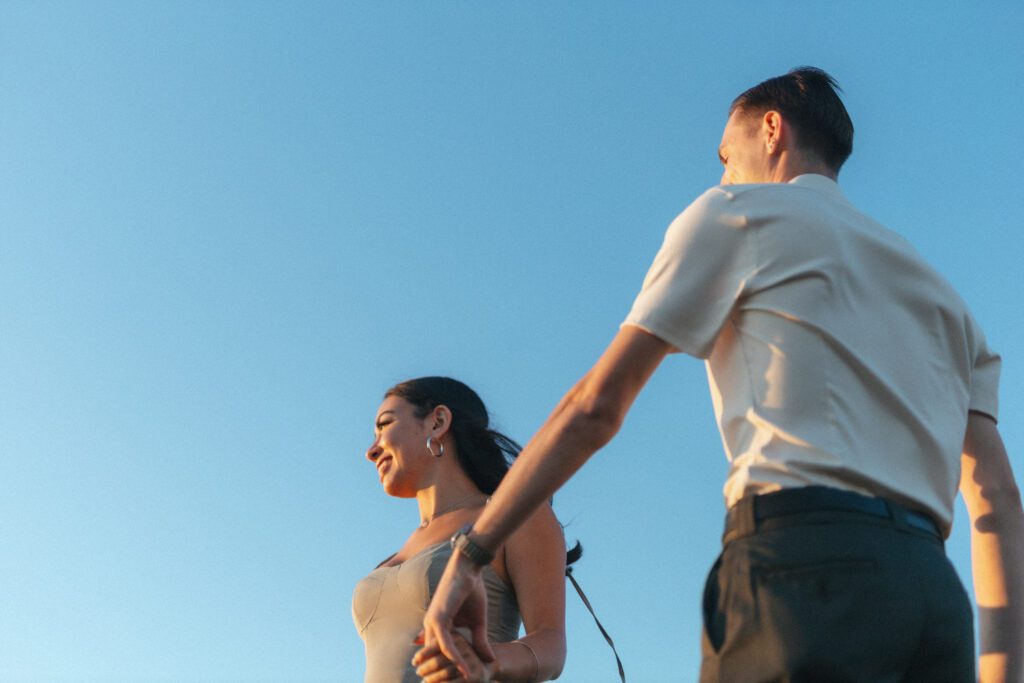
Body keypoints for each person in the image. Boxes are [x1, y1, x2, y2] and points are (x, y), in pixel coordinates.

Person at [420, 68, 1023, 682]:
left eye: (726, 156)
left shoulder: (736, 214)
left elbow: (595, 408)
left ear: (772, 129)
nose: (722, 176)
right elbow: (997, 500)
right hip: (933, 596)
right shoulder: (944, 300)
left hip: (803, 568)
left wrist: (472, 553)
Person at [352, 376, 568, 682]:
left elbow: (551, 646)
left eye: (385, 425)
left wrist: (488, 661)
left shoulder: (512, 516)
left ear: (438, 422)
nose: (371, 451)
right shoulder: (393, 557)